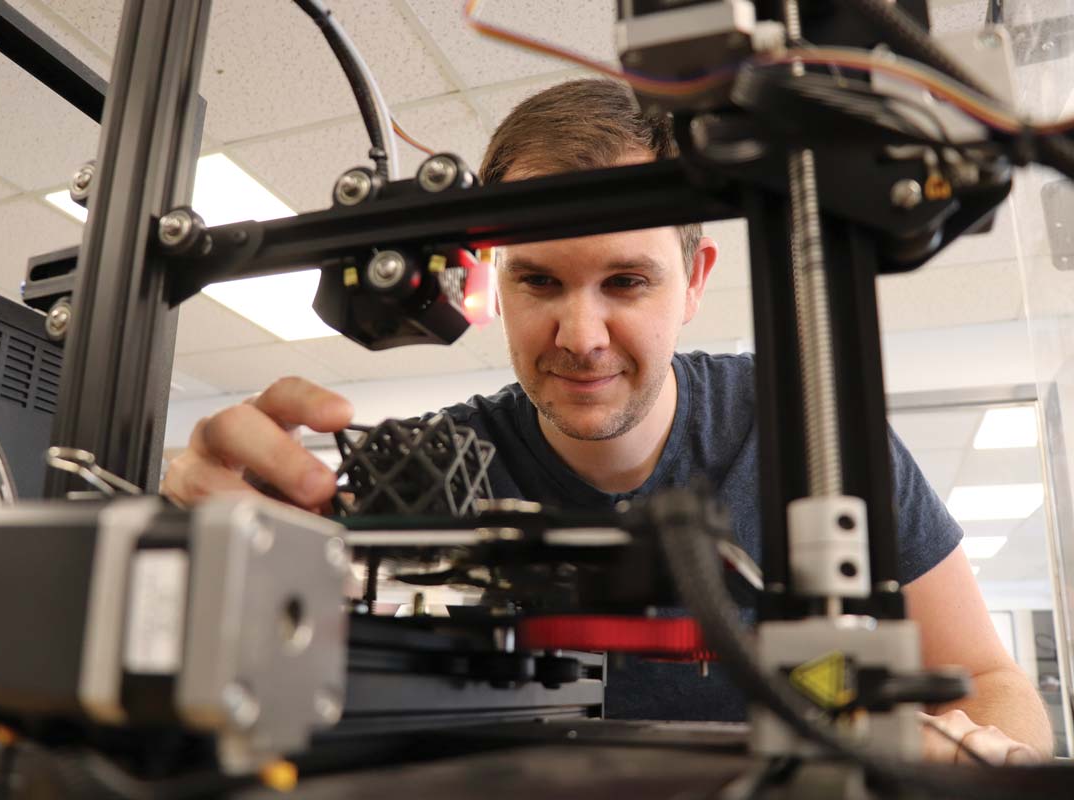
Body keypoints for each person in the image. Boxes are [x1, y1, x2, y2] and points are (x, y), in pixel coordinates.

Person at [163, 79, 1053, 765]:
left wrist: (966, 752)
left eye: (626, 282)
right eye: (538, 281)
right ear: (494, 283)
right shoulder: (438, 466)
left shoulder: (818, 431)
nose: (580, 337)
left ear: (696, 279)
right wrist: (184, 552)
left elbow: (997, 683)